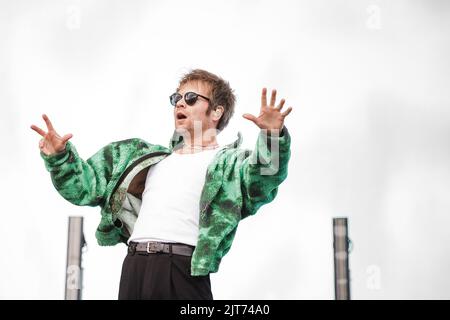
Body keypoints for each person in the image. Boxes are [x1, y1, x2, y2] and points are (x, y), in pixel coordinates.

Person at [31, 69, 293, 300]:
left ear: (216, 111)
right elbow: (85, 187)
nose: (180, 103)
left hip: (180, 270)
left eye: (190, 98)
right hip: (135, 267)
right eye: (175, 98)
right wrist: (59, 158)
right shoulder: (141, 158)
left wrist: (271, 136)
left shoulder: (229, 164)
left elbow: (264, 180)